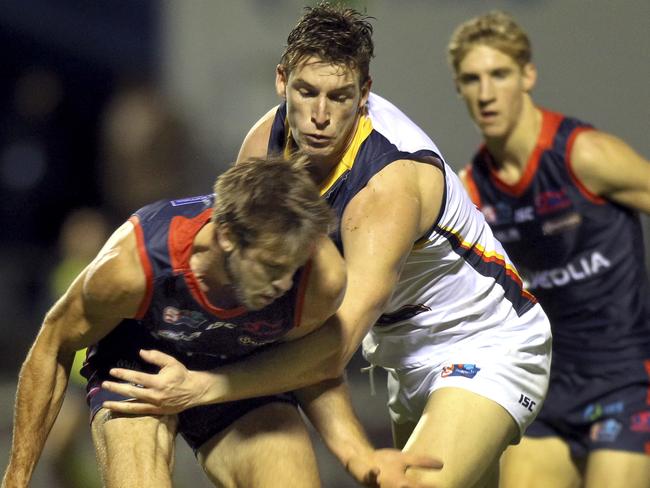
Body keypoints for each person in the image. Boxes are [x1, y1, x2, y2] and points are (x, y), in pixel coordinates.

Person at [100, 4, 552, 487]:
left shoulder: (386, 187)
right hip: (401, 352)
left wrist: (201, 388)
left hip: (484, 344)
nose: (319, 116)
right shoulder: (265, 142)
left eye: (339, 97)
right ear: (282, 81)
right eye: (307, 92)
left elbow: (330, 350)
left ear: (365, 94)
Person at [3, 155, 361, 488]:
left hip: (237, 363)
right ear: (226, 237)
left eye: (292, 268)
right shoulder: (133, 267)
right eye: (271, 267)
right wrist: (16, 479)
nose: (284, 283)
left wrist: (357, 455)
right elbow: (52, 345)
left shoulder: (319, 278)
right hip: (137, 364)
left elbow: (323, 355)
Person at [448, 11, 650, 488]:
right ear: (459, 88)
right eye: (471, 79)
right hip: (543, 388)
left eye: (499, 75)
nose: (486, 93)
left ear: (528, 76)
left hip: (625, 380)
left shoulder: (584, 155)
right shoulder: (470, 191)